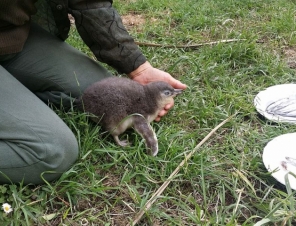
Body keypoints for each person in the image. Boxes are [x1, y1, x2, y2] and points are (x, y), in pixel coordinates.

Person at [0, 0, 187, 185]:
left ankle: (21, 93)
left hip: (11, 35)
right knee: (53, 153)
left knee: (102, 91)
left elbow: (88, 2)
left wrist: (139, 68)